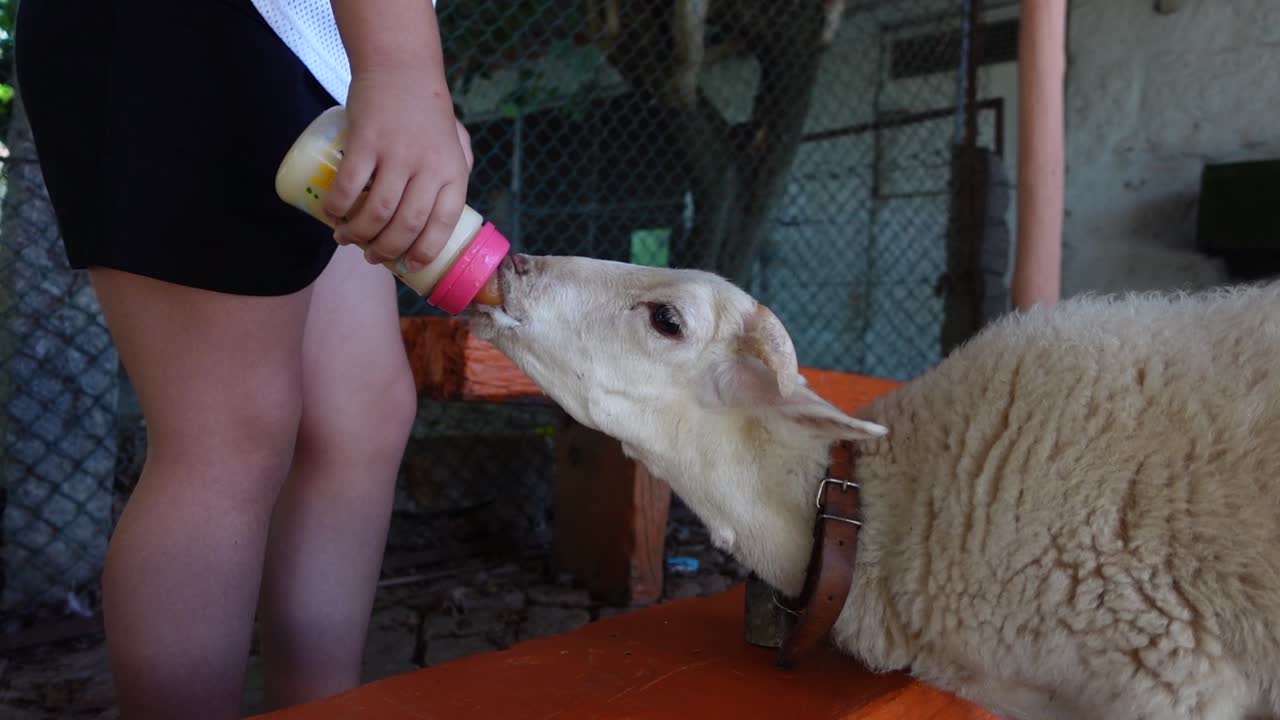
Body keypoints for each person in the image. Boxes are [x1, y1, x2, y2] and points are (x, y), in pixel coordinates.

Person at [14, 0, 471, 717]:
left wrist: (391, 80)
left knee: (356, 416)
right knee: (226, 439)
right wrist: (405, 75)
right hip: (197, 29)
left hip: (309, 40)